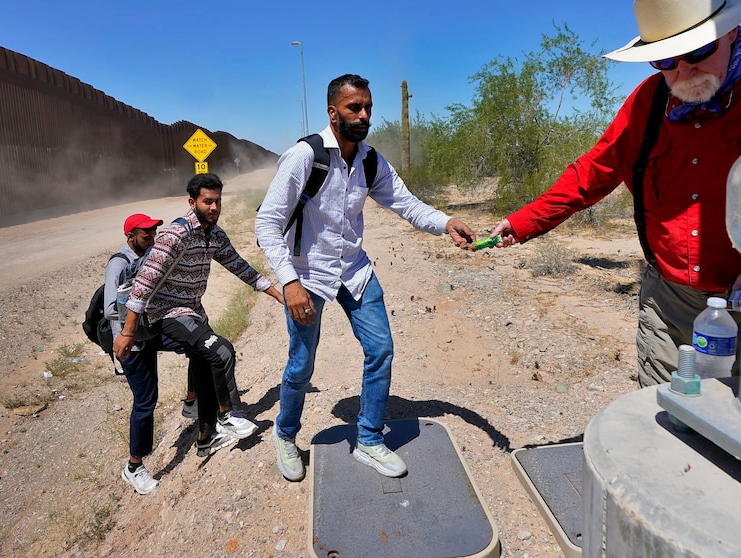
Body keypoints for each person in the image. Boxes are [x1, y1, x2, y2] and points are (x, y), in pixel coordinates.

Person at [488, 0, 741, 388]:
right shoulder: (649, 103)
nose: (683, 71)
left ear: (730, 31)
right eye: (665, 61)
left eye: (697, 51)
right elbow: (591, 173)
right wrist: (523, 221)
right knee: (663, 414)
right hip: (669, 300)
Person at [255, 74, 476, 482]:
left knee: (381, 349)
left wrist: (446, 223)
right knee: (301, 365)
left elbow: (406, 204)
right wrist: (289, 281)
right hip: (308, 275)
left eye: (368, 107)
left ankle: (370, 440)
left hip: (355, 270)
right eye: (354, 107)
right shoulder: (305, 157)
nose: (363, 115)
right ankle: (285, 435)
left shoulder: (370, 160)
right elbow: (267, 224)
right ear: (332, 112)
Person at [114, 174, 285, 460]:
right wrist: (128, 332)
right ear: (193, 202)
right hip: (167, 312)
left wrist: (279, 295)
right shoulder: (175, 234)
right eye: (208, 201)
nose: (214, 207)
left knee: (205, 365)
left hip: (193, 312)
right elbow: (144, 282)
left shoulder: (214, 235)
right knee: (221, 351)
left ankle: (205, 439)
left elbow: (239, 267)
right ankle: (228, 414)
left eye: (218, 201)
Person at [106, 213, 195, 494]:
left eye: (154, 234)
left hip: (149, 332)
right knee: (146, 402)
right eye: (146, 236)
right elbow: (111, 308)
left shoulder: (146, 255)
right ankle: (134, 467)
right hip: (131, 341)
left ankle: (193, 402)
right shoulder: (118, 264)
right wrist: (138, 302)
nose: (152, 240)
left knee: (195, 344)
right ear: (130, 236)